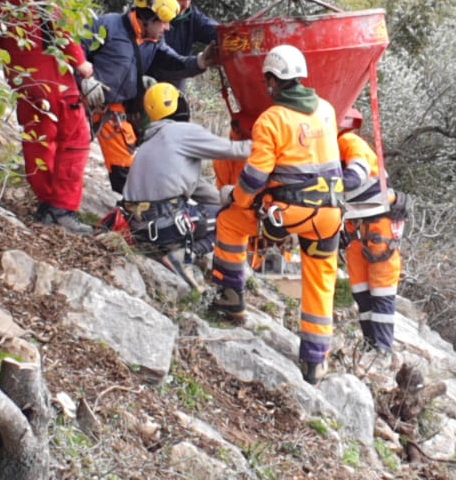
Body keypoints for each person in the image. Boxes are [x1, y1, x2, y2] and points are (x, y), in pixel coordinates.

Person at [210, 45, 345, 385]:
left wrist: (236, 198)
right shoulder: (327, 111)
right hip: (330, 214)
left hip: (287, 213)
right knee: (320, 277)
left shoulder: (272, 119)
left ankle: (230, 298)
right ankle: (315, 361)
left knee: (229, 221)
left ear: (272, 81)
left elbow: (255, 177)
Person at [0, 0, 96, 235]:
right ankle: (61, 208)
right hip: (50, 69)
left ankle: (47, 203)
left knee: (38, 136)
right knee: (75, 136)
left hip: (20, 71)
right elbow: (59, 17)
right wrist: (81, 62)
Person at [80, 0, 216, 194]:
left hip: (110, 111)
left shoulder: (153, 42)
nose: (168, 28)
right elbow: (74, 48)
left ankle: (134, 213)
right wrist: (82, 78)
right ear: (148, 17)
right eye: (164, 22)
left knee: (125, 170)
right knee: (67, 150)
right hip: (80, 102)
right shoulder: (108, 26)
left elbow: (174, 62)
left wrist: (200, 62)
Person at [120, 82, 251, 284]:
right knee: (235, 219)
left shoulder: (149, 142)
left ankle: (176, 248)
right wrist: (273, 142)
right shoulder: (183, 132)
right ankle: (184, 255)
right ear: (178, 104)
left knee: (223, 209)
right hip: (166, 228)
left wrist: (226, 199)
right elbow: (237, 151)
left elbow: (194, 186)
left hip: (139, 230)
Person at [338, 108, 407, 356]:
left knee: (381, 292)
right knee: (363, 293)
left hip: (377, 227)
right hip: (359, 229)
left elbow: (357, 173)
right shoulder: (333, 148)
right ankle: (371, 345)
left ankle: (382, 350)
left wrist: (331, 185)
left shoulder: (348, 141)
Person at [151, 0, 219, 89]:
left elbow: (215, 31)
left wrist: (236, 34)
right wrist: (198, 62)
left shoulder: (190, 16)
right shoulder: (149, 19)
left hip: (175, 91)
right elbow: (162, 58)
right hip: (147, 89)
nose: (186, 5)